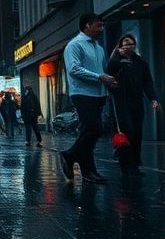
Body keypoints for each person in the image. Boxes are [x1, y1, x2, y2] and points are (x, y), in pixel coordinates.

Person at [60, 13, 117, 184]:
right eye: (98, 26)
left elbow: (100, 70)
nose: (101, 29)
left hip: (98, 94)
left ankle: (88, 171)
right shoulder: (74, 45)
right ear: (86, 26)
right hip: (82, 93)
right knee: (95, 129)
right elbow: (74, 69)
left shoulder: (98, 48)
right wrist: (100, 77)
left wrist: (107, 83)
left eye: (102, 26)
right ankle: (68, 156)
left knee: (87, 132)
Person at [107, 33, 159, 177]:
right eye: (125, 43)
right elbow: (109, 71)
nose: (129, 46)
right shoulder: (116, 60)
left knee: (137, 133)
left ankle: (135, 165)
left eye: (131, 43)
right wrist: (117, 56)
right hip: (121, 102)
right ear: (120, 46)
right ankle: (125, 166)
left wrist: (153, 98)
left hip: (137, 101)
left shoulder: (140, 62)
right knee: (126, 132)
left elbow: (147, 81)